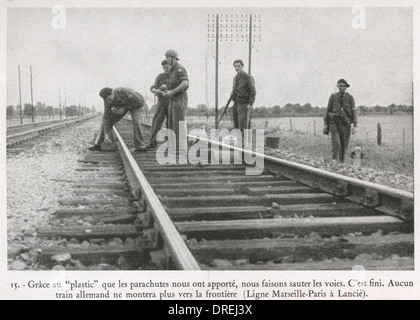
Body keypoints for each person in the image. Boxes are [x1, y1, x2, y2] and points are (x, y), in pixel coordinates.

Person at [88, 87, 147, 152]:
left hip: (137, 104)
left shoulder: (123, 91)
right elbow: (106, 117)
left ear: (112, 93)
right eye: (107, 100)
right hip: (122, 107)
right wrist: (107, 134)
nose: (108, 102)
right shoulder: (106, 100)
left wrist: (124, 108)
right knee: (105, 123)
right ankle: (97, 145)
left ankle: (140, 146)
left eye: (109, 99)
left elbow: (139, 102)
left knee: (136, 121)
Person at [323, 79, 357, 162]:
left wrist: (355, 125)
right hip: (334, 123)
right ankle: (335, 162)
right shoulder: (333, 96)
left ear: (346, 87)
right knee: (335, 144)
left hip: (345, 124)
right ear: (337, 86)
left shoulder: (350, 97)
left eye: (344, 86)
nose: (342, 88)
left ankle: (342, 163)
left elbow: (354, 111)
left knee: (344, 145)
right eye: (340, 86)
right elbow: (328, 110)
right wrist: (325, 124)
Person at [162, 49, 189, 153]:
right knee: (172, 123)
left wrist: (172, 92)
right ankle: (175, 148)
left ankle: (181, 149)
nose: (166, 59)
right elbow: (171, 84)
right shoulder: (171, 71)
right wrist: (166, 90)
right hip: (172, 99)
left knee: (179, 124)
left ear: (173, 58)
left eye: (168, 57)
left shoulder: (179, 69)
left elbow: (185, 83)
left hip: (179, 98)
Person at [229, 59, 256, 144]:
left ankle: (245, 145)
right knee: (236, 125)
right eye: (235, 66)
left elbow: (253, 91)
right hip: (236, 104)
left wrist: (250, 103)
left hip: (244, 104)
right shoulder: (235, 78)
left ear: (242, 66)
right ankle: (239, 144)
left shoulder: (248, 77)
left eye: (239, 66)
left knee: (243, 126)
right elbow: (234, 90)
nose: (237, 68)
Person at [147, 59, 171, 149]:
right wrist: (157, 90)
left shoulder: (175, 76)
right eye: (164, 68)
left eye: (167, 67)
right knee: (156, 122)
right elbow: (153, 87)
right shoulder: (160, 76)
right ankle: (152, 142)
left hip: (171, 102)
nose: (165, 69)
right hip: (161, 102)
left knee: (171, 123)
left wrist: (167, 87)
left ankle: (170, 143)